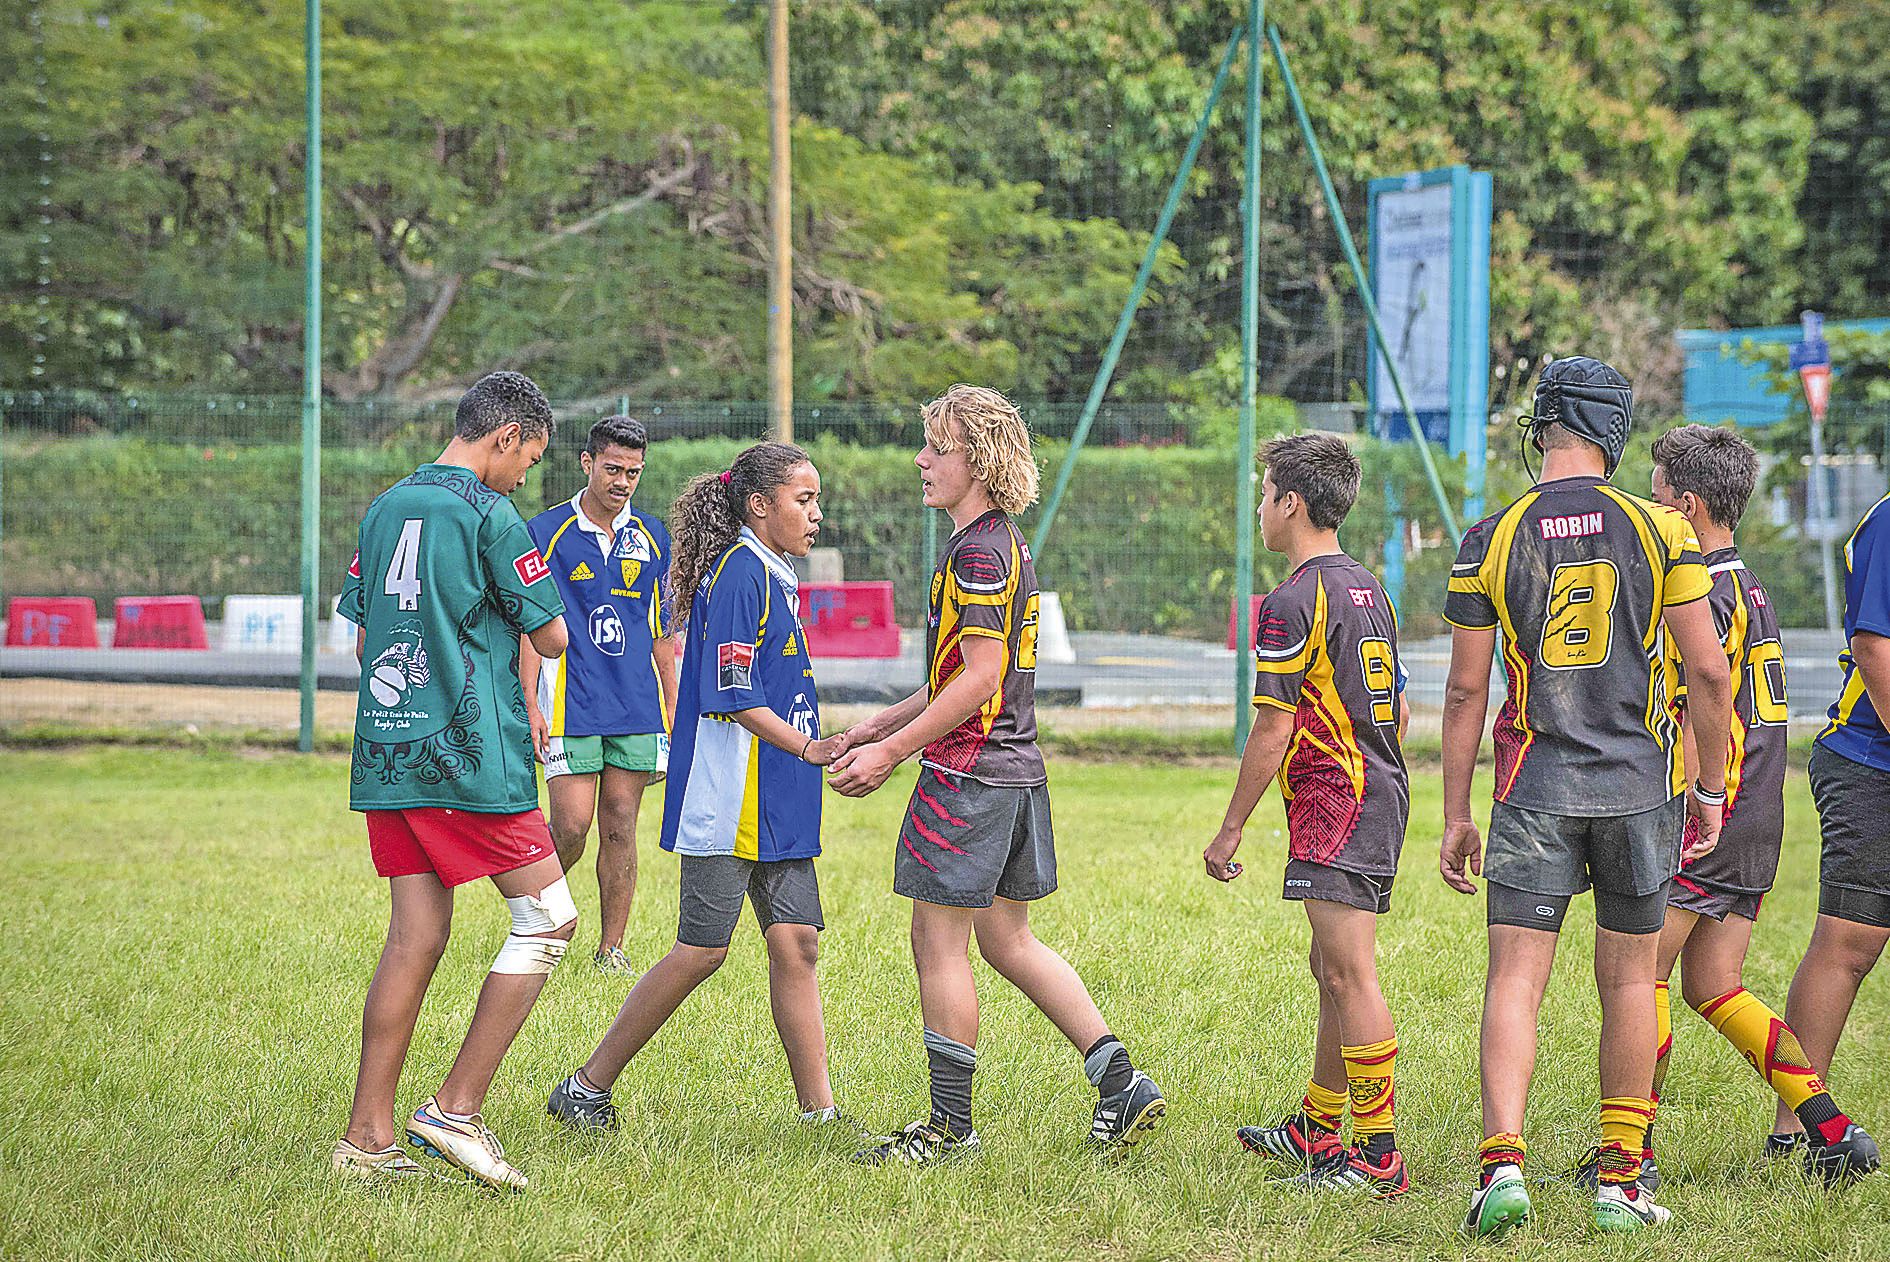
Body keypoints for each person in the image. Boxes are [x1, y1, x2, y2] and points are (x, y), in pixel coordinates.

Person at [831, 383, 1165, 1165]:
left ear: (975, 460)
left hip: (971, 776)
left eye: (937, 448)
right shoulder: (997, 541)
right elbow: (960, 672)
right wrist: (880, 724)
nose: (921, 460)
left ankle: (951, 1131)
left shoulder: (979, 550)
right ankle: (1120, 1082)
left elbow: (980, 678)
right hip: (1015, 770)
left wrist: (893, 752)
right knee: (1009, 940)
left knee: (937, 942)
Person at [1438, 356, 1733, 1235]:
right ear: (1614, 433)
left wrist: (1456, 813)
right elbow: (1710, 674)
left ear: (1541, 431)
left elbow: (1462, 694)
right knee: (1630, 980)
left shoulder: (1488, 536)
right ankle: (1620, 1183)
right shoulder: (1664, 531)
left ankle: (1501, 1172)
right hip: (1641, 786)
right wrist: (1710, 789)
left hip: (1532, 786)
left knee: (1516, 980)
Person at [547, 442, 851, 1131]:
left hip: (779, 796)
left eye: (816, 500)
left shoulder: (770, 571)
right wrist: (811, 745)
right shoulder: (741, 573)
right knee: (703, 950)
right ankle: (586, 1087)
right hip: (732, 799)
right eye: (804, 500)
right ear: (759, 506)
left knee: (796, 942)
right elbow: (733, 692)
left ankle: (820, 1116)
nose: (816, 515)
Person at [330, 371, 574, 1191]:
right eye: (529, 460)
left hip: (388, 756)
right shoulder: (488, 513)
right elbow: (552, 633)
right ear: (505, 437)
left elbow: (364, 646)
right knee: (548, 918)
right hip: (468, 758)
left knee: (416, 938)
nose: (524, 478)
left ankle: (367, 1140)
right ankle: (455, 1111)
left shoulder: (386, 504)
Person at [1641, 424, 1877, 1186]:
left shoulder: (1700, 588)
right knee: (1713, 985)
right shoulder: (1750, 583)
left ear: (1687, 504)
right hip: (1761, 815)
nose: (1649, 507)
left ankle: (1627, 1156)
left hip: (1714, 809)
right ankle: (1831, 1129)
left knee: (1638, 974)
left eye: (1655, 495)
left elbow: (1702, 694)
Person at [1205, 433, 1412, 1197]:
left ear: (1290, 503)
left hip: (1339, 799)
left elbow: (1272, 725)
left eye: (1265, 494)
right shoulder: (1369, 585)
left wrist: (1229, 828)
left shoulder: (1292, 600)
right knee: (1330, 967)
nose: (1260, 508)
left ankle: (1379, 1156)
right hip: (1375, 789)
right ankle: (1317, 1130)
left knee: (1350, 973)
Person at [522, 414, 679, 976]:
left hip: (635, 704)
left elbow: (663, 634)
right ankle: (538, 920)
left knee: (620, 822)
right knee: (570, 823)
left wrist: (673, 706)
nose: (623, 482)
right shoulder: (545, 532)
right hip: (570, 702)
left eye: (634, 472)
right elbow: (529, 625)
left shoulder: (654, 537)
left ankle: (611, 949)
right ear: (586, 463)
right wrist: (531, 705)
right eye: (613, 469)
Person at [1771, 484, 1890, 1177]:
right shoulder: (1888, 521)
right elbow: (1875, 649)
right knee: (1850, 943)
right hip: (1871, 762)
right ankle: (1797, 1128)